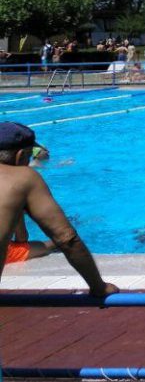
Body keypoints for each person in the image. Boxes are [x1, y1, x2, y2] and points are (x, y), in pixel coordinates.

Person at [0, 122, 117, 300]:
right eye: (30, 155)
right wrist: (99, 287)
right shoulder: (24, 178)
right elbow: (66, 238)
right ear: (21, 155)